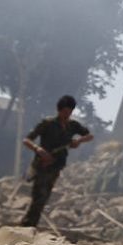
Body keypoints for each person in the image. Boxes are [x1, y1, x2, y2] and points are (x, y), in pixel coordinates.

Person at [20, 95, 92, 227]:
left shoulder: (73, 125)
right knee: (39, 197)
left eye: (70, 112)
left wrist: (78, 141)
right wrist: (38, 149)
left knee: (45, 196)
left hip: (56, 166)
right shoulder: (47, 123)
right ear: (59, 110)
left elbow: (89, 135)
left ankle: (30, 225)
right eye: (65, 112)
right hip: (42, 164)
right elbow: (27, 140)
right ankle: (27, 225)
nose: (67, 115)